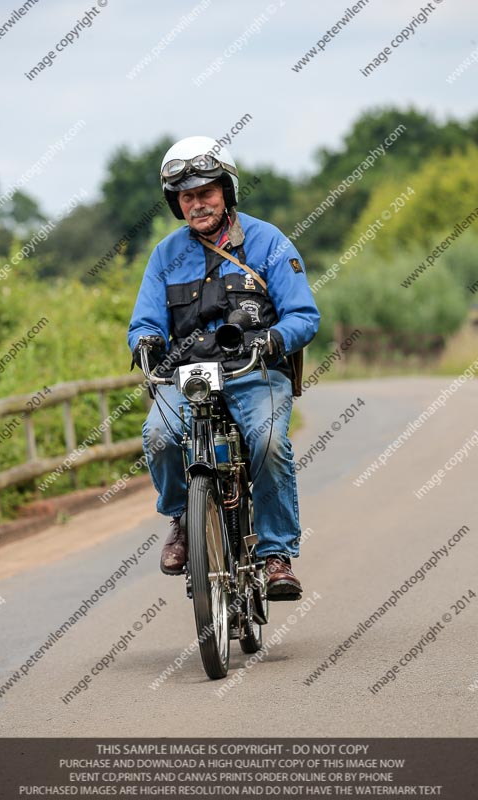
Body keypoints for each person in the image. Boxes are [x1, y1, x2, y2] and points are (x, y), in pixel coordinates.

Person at [128, 135, 320, 600]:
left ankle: (276, 554)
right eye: (187, 196)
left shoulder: (268, 241)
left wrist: (275, 337)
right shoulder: (164, 256)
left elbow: (304, 315)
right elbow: (143, 323)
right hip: (189, 375)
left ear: (226, 191)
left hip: (255, 370)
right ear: (177, 203)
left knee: (270, 442)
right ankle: (183, 518)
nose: (197, 204)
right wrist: (147, 342)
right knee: (157, 435)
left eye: (206, 193)